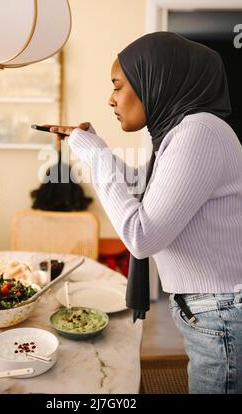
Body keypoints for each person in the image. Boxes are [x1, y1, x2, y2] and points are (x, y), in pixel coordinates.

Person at [43, 31, 242, 394]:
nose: (110, 99)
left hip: (222, 312)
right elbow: (144, 187)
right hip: (213, 309)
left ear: (156, 79)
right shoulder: (183, 132)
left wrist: (97, 157)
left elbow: (141, 236)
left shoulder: (198, 133)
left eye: (117, 86)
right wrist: (96, 147)